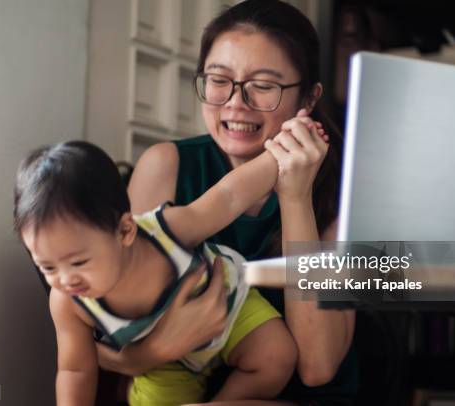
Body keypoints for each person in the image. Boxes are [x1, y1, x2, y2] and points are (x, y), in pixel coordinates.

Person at [98, 0, 358, 404]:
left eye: (264, 85)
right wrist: (150, 354)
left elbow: (317, 366)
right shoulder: (166, 166)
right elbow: (92, 332)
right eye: (219, 80)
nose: (236, 103)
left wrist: (295, 196)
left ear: (307, 99)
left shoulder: (343, 193)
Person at [13, 136, 326, 405]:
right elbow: (75, 370)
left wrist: (279, 156)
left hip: (230, 307)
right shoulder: (66, 302)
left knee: (277, 358)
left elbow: (228, 196)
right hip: (165, 365)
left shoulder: (163, 231)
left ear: (124, 231)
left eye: (79, 262)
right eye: (47, 267)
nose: (66, 279)